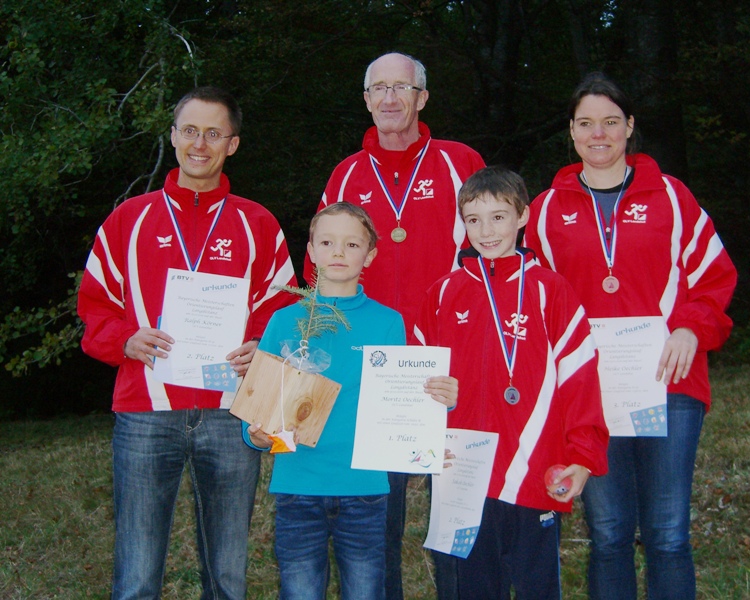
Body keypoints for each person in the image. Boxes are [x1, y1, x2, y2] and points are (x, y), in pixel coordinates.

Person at [523, 72, 737, 599]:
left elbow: (713, 274)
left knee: (667, 535)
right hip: (591, 395)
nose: (600, 134)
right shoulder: (548, 209)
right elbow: (533, 300)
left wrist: (691, 326)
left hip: (670, 383)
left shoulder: (671, 195)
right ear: (571, 133)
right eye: (587, 123)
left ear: (630, 127)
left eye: (611, 122)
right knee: (610, 534)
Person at [77, 86, 297, 599]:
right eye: (191, 130)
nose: (201, 143)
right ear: (174, 137)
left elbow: (282, 308)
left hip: (231, 410)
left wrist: (260, 344)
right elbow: (94, 307)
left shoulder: (257, 223)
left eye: (214, 133)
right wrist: (125, 340)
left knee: (227, 573)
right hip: (145, 411)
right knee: (136, 571)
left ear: (233, 144)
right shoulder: (128, 220)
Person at [303, 52, 485, 599]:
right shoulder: (346, 174)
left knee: (458, 513)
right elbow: (321, 271)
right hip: (375, 372)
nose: (388, 98)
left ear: (421, 98)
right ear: (365, 100)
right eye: (377, 88)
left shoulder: (460, 161)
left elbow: (492, 250)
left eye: (400, 88)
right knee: (378, 523)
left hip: (451, 364)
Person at [244, 202, 458, 599]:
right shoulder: (284, 321)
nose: (338, 252)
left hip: (365, 487)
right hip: (298, 484)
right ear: (310, 251)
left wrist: (439, 402)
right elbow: (256, 413)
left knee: (365, 591)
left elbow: (406, 399)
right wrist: (256, 435)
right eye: (327, 242)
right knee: (300, 590)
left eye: (351, 244)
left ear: (370, 254)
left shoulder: (389, 322)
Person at [415, 166, 610, 600]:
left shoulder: (551, 291)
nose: (486, 230)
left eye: (499, 216)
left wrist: (583, 452)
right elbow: (416, 381)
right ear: (461, 223)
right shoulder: (443, 294)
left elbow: (580, 376)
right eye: (473, 219)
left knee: (537, 586)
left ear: (523, 216)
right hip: (462, 474)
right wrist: (425, 421)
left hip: (533, 469)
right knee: (473, 588)